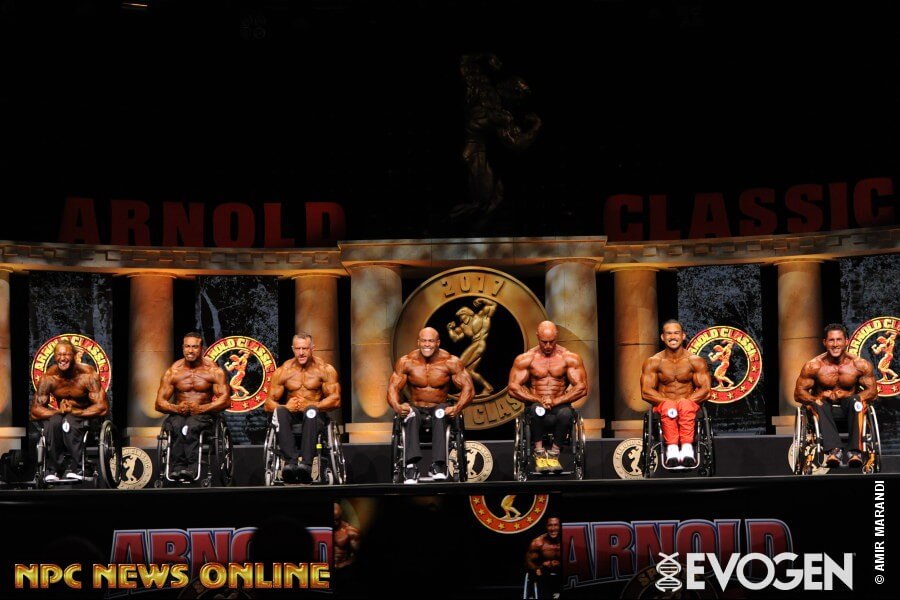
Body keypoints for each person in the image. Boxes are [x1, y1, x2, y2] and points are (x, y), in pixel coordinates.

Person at [387, 327, 474, 483]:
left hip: (439, 407)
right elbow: (392, 389)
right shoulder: (406, 362)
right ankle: (411, 466)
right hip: (416, 408)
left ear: (438, 343)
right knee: (410, 412)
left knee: (440, 413)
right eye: (424, 341)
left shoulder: (451, 362)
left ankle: (438, 466)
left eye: (431, 341)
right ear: (418, 342)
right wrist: (397, 406)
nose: (427, 344)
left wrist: (457, 408)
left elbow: (469, 389)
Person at [794, 323, 878, 468]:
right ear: (824, 342)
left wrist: (852, 396)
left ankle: (855, 452)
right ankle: (834, 451)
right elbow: (798, 393)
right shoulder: (814, 366)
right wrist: (816, 398)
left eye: (839, 340)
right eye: (831, 340)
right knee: (818, 403)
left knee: (857, 401)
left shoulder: (859, 365)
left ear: (846, 341)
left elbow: (872, 392)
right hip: (823, 410)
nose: (835, 344)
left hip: (850, 411)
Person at [508, 321, 587, 473]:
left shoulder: (569, 358)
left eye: (552, 341)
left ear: (557, 337)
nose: (548, 346)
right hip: (536, 405)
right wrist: (538, 399)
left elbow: (582, 387)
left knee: (566, 414)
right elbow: (513, 387)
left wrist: (555, 401)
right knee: (538, 410)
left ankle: (554, 453)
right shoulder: (526, 359)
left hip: (560, 405)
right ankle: (539, 452)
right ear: (537, 337)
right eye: (544, 342)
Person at [265, 332, 341, 483]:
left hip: (316, 416)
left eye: (305, 348)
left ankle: (306, 465)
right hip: (292, 417)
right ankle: (290, 463)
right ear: (292, 349)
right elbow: (268, 404)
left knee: (310, 411)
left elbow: (336, 400)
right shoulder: (283, 371)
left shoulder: (325, 370)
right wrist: (286, 406)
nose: (301, 353)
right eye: (298, 348)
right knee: (280, 411)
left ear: (312, 348)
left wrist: (312, 405)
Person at [154, 332, 231, 480]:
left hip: (204, 415)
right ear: (183, 348)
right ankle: (177, 468)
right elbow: (159, 403)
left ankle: (191, 468)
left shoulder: (213, 371)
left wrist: (202, 408)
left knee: (191, 425)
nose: (190, 350)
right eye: (187, 346)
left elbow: (225, 400)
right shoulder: (173, 372)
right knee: (176, 425)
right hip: (179, 414)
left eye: (195, 347)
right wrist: (175, 408)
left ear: (202, 349)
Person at [31, 340, 108, 482]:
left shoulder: (87, 374)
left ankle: (81, 468)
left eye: (66, 354)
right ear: (54, 356)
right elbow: (35, 411)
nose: (62, 358)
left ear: (74, 355)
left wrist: (79, 412)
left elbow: (102, 407)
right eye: (59, 355)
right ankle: (54, 470)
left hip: (84, 414)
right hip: (62, 413)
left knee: (69, 422)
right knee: (53, 423)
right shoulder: (49, 378)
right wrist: (58, 412)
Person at [640, 320, 711, 468]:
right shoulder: (653, 362)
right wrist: (669, 402)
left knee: (685, 405)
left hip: (688, 406)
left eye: (676, 333)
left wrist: (684, 402)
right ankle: (672, 450)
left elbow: (705, 390)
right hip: (664, 407)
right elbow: (646, 391)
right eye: (669, 333)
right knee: (669, 407)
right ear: (663, 337)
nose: (673, 337)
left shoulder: (695, 361)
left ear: (683, 336)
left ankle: (687, 449)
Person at [447, 297, 497, 396]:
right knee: (469, 371)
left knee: (459, 365)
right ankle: (488, 388)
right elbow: (455, 338)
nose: (461, 319)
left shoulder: (481, 316)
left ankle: (465, 390)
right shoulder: (463, 327)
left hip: (480, 343)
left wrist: (481, 300)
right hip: (475, 345)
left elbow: (493, 305)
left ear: (467, 313)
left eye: (462, 315)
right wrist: (450, 329)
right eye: (460, 317)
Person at [525, 516, 562, 599]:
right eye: (550, 525)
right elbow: (529, 561)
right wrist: (537, 569)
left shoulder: (568, 540)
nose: (553, 529)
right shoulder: (538, 543)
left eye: (556, 525)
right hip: (544, 576)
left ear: (560, 526)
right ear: (546, 527)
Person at [333, 502, 360, 570]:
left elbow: (359, 555)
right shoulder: (322, 530)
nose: (334, 522)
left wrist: (344, 564)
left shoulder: (350, 531)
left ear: (340, 516)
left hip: (342, 569)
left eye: (336, 519)